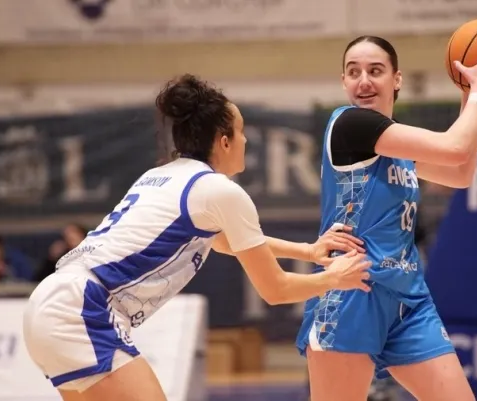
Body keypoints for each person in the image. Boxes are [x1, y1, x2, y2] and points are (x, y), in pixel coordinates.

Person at [21, 74, 372, 401]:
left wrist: (308, 252)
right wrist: (334, 279)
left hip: (49, 303)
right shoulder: (220, 191)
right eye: (241, 131)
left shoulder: (161, 175)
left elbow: (225, 242)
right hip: (84, 309)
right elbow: (275, 289)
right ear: (224, 141)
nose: (245, 140)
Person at [295, 32, 477, 401]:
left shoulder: (396, 144)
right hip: (352, 293)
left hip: (407, 298)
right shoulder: (350, 124)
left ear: (396, 79)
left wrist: (470, 93)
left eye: (375, 70)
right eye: (354, 72)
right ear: (344, 81)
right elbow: (454, 147)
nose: (364, 81)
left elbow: (460, 172)